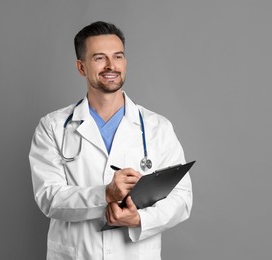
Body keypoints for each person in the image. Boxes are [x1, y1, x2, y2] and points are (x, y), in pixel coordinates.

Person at [29, 21, 192, 260]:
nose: (111, 66)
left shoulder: (157, 127)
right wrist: (105, 194)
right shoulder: (53, 127)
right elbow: (49, 198)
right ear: (81, 67)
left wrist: (139, 219)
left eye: (118, 56)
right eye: (99, 58)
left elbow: (182, 198)